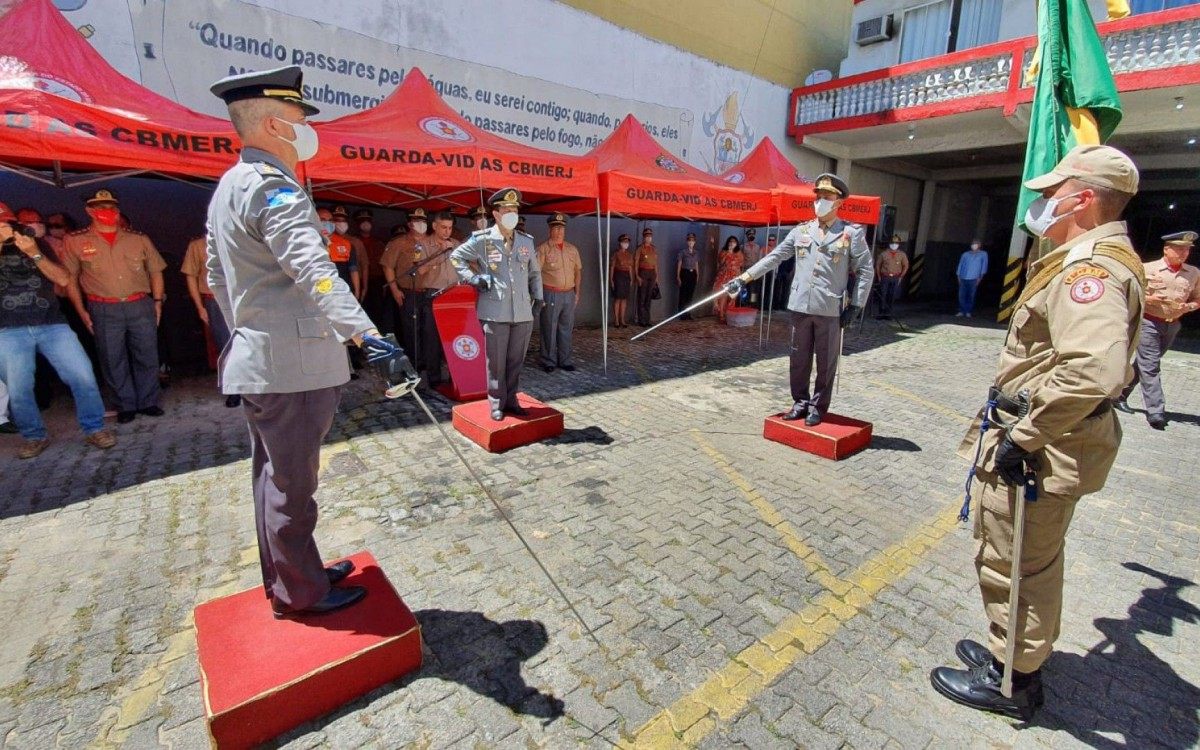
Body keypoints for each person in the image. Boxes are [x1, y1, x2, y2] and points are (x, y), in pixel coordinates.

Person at [931, 144, 1145, 720]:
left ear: (1085, 198)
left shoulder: (1088, 270)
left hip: (1043, 450)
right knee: (1027, 557)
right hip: (1055, 442)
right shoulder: (1094, 258)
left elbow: (1092, 370)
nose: (1044, 202)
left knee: (1015, 560)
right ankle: (1010, 654)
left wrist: (1022, 435)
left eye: (1054, 193)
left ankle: (1014, 683)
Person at [207, 65, 413, 618]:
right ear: (275, 124)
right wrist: (369, 336)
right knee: (293, 488)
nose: (307, 128)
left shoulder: (230, 185)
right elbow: (316, 272)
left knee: (272, 477)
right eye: (300, 118)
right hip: (292, 366)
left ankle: (290, 574)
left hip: (263, 359)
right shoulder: (276, 188)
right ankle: (300, 594)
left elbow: (215, 279)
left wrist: (249, 328)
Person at [725, 173, 872, 426]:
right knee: (799, 358)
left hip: (829, 308)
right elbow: (775, 257)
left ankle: (817, 407)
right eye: (818, 197)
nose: (820, 202)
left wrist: (857, 305)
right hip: (800, 306)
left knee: (826, 362)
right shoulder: (802, 231)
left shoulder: (850, 234)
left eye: (826, 198)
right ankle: (800, 402)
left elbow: (865, 270)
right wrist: (745, 278)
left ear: (838, 202)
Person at [0, 202, 115, 458]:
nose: (5, 229)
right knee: (19, 388)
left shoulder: (35, 244)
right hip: (8, 329)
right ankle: (34, 436)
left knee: (82, 374)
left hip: (52, 323)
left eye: (7, 223)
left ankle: (94, 428)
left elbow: (63, 279)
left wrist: (34, 253)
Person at [61, 189, 166, 424]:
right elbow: (70, 280)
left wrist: (158, 302)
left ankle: (148, 401)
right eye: (100, 208)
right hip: (103, 307)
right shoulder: (75, 241)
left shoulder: (138, 239)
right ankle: (124, 405)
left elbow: (156, 271)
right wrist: (82, 312)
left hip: (140, 304)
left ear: (118, 211)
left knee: (147, 353)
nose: (106, 213)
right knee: (112, 358)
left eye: (111, 208)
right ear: (89, 211)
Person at [450, 187, 542, 421]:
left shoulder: (525, 241)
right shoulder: (482, 240)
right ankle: (496, 403)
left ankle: (512, 399)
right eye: (507, 209)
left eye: (515, 210)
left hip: (522, 311)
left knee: (515, 360)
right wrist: (473, 278)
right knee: (496, 362)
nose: (512, 213)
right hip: (494, 311)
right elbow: (456, 257)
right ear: (496, 213)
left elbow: (534, 273)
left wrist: (538, 296)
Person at [1116, 230, 1200, 429]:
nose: (1184, 253)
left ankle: (1120, 394)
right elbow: (1127, 293)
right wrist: (1149, 299)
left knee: (1145, 364)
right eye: (1179, 249)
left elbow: (1197, 299)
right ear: (1166, 249)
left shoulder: (1194, 273)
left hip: (1173, 324)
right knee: (1151, 365)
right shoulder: (1146, 269)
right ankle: (1156, 411)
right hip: (1149, 322)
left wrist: (1188, 307)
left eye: (1187, 250)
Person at [182, 235, 240, 408]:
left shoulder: (241, 238)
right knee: (226, 344)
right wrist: (200, 306)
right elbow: (191, 276)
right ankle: (235, 390)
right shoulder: (198, 245)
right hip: (215, 299)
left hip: (243, 298)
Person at [380, 208, 430, 371]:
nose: (420, 224)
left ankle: (429, 360)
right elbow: (388, 267)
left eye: (423, 221)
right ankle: (414, 362)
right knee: (411, 329)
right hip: (408, 292)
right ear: (409, 223)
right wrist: (394, 290)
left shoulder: (432, 241)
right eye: (417, 221)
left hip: (430, 292)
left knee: (428, 329)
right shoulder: (399, 242)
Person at [419, 211, 462, 387]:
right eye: (443, 227)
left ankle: (456, 376)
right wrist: (440, 254)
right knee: (433, 339)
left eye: (450, 228)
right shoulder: (423, 245)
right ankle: (434, 378)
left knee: (455, 337)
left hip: (454, 295)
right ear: (434, 226)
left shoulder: (456, 245)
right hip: (433, 294)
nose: (447, 232)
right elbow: (420, 271)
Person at [536, 213, 582, 373]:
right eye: (555, 228)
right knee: (549, 327)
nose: (559, 231)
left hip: (568, 294)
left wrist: (577, 293)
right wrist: (538, 296)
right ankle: (548, 360)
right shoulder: (543, 249)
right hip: (550, 293)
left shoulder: (572, 249)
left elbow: (578, 272)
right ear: (550, 229)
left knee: (566, 328)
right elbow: (535, 274)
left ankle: (565, 359)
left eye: (561, 228)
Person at [331, 207, 368, 302]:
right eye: (336, 220)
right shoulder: (323, 240)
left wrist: (363, 288)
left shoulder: (354, 242)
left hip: (351, 284)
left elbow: (362, 266)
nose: (340, 223)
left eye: (343, 221)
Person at [876, 234, 910, 319]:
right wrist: (879, 276)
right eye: (892, 243)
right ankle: (881, 312)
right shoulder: (883, 254)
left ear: (899, 244)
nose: (894, 244)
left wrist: (901, 276)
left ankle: (889, 313)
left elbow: (906, 265)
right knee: (883, 294)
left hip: (895, 277)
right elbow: (878, 265)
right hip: (885, 277)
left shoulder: (902, 254)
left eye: (896, 243)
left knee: (892, 295)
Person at [713, 236, 744, 324]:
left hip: (734, 277)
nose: (732, 243)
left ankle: (729, 316)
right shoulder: (723, 252)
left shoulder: (739, 253)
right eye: (730, 241)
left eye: (734, 242)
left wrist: (740, 278)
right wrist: (728, 253)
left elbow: (740, 266)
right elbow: (721, 262)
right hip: (724, 276)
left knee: (731, 298)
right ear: (728, 243)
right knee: (723, 296)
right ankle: (721, 315)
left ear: (736, 243)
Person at [956, 238, 988, 317]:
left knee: (971, 296)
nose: (974, 245)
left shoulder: (983, 254)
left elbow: (984, 266)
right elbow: (960, 265)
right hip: (963, 277)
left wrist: (980, 278)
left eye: (976, 243)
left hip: (974, 278)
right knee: (961, 296)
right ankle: (961, 310)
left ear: (979, 245)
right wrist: (958, 276)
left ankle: (968, 311)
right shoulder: (965, 254)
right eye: (973, 243)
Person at [633, 227, 658, 326]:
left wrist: (657, 276)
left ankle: (647, 319)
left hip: (652, 273)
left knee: (648, 297)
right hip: (643, 272)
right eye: (647, 236)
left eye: (650, 236)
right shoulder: (640, 248)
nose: (648, 238)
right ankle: (641, 320)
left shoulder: (653, 248)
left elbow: (656, 263)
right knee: (642, 297)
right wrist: (637, 275)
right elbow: (636, 263)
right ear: (643, 237)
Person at [610, 234, 634, 328]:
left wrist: (631, 278)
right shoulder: (616, 254)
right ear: (620, 243)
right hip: (618, 275)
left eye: (627, 242)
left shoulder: (629, 254)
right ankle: (616, 320)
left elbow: (630, 267)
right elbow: (612, 267)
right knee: (618, 298)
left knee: (624, 298)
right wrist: (611, 279)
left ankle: (622, 319)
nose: (626, 244)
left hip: (626, 276)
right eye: (624, 242)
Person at [676, 232, 700, 319]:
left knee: (690, 295)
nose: (691, 242)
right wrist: (678, 276)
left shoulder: (696, 252)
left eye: (692, 241)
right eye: (689, 240)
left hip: (692, 273)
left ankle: (688, 314)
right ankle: (682, 315)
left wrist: (697, 274)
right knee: (683, 294)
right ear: (687, 242)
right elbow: (679, 263)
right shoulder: (683, 252)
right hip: (684, 272)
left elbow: (697, 263)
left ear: (695, 242)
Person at [743, 228, 762, 305]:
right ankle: (744, 303)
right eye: (750, 234)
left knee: (754, 288)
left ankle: (753, 303)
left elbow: (759, 258)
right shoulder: (743, 246)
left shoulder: (757, 247)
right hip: (745, 269)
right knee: (745, 287)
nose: (751, 236)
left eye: (753, 234)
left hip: (755, 269)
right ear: (747, 236)